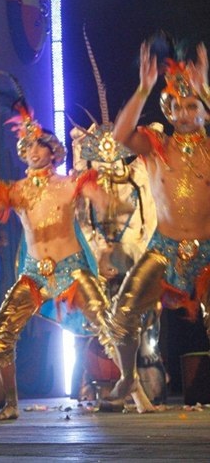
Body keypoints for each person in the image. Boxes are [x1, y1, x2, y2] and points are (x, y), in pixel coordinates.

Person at [0, 95, 115, 421]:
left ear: (53, 150)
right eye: (27, 145)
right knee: (1, 335)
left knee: (106, 324)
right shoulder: (14, 190)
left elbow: (104, 205)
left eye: (39, 145)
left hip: (72, 271)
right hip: (34, 275)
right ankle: (12, 404)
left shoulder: (71, 183)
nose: (32, 150)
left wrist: (104, 204)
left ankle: (134, 389)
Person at [107, 38, 210, 409]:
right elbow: (119, 135)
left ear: (203, 109)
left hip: (208, 253)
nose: (184, 114)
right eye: (177, 107)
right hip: (164, 249)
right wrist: (144, 88)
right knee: (121, 316)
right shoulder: (156, 145)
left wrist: (206, 88)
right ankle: (126, 377)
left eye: (192, 105)